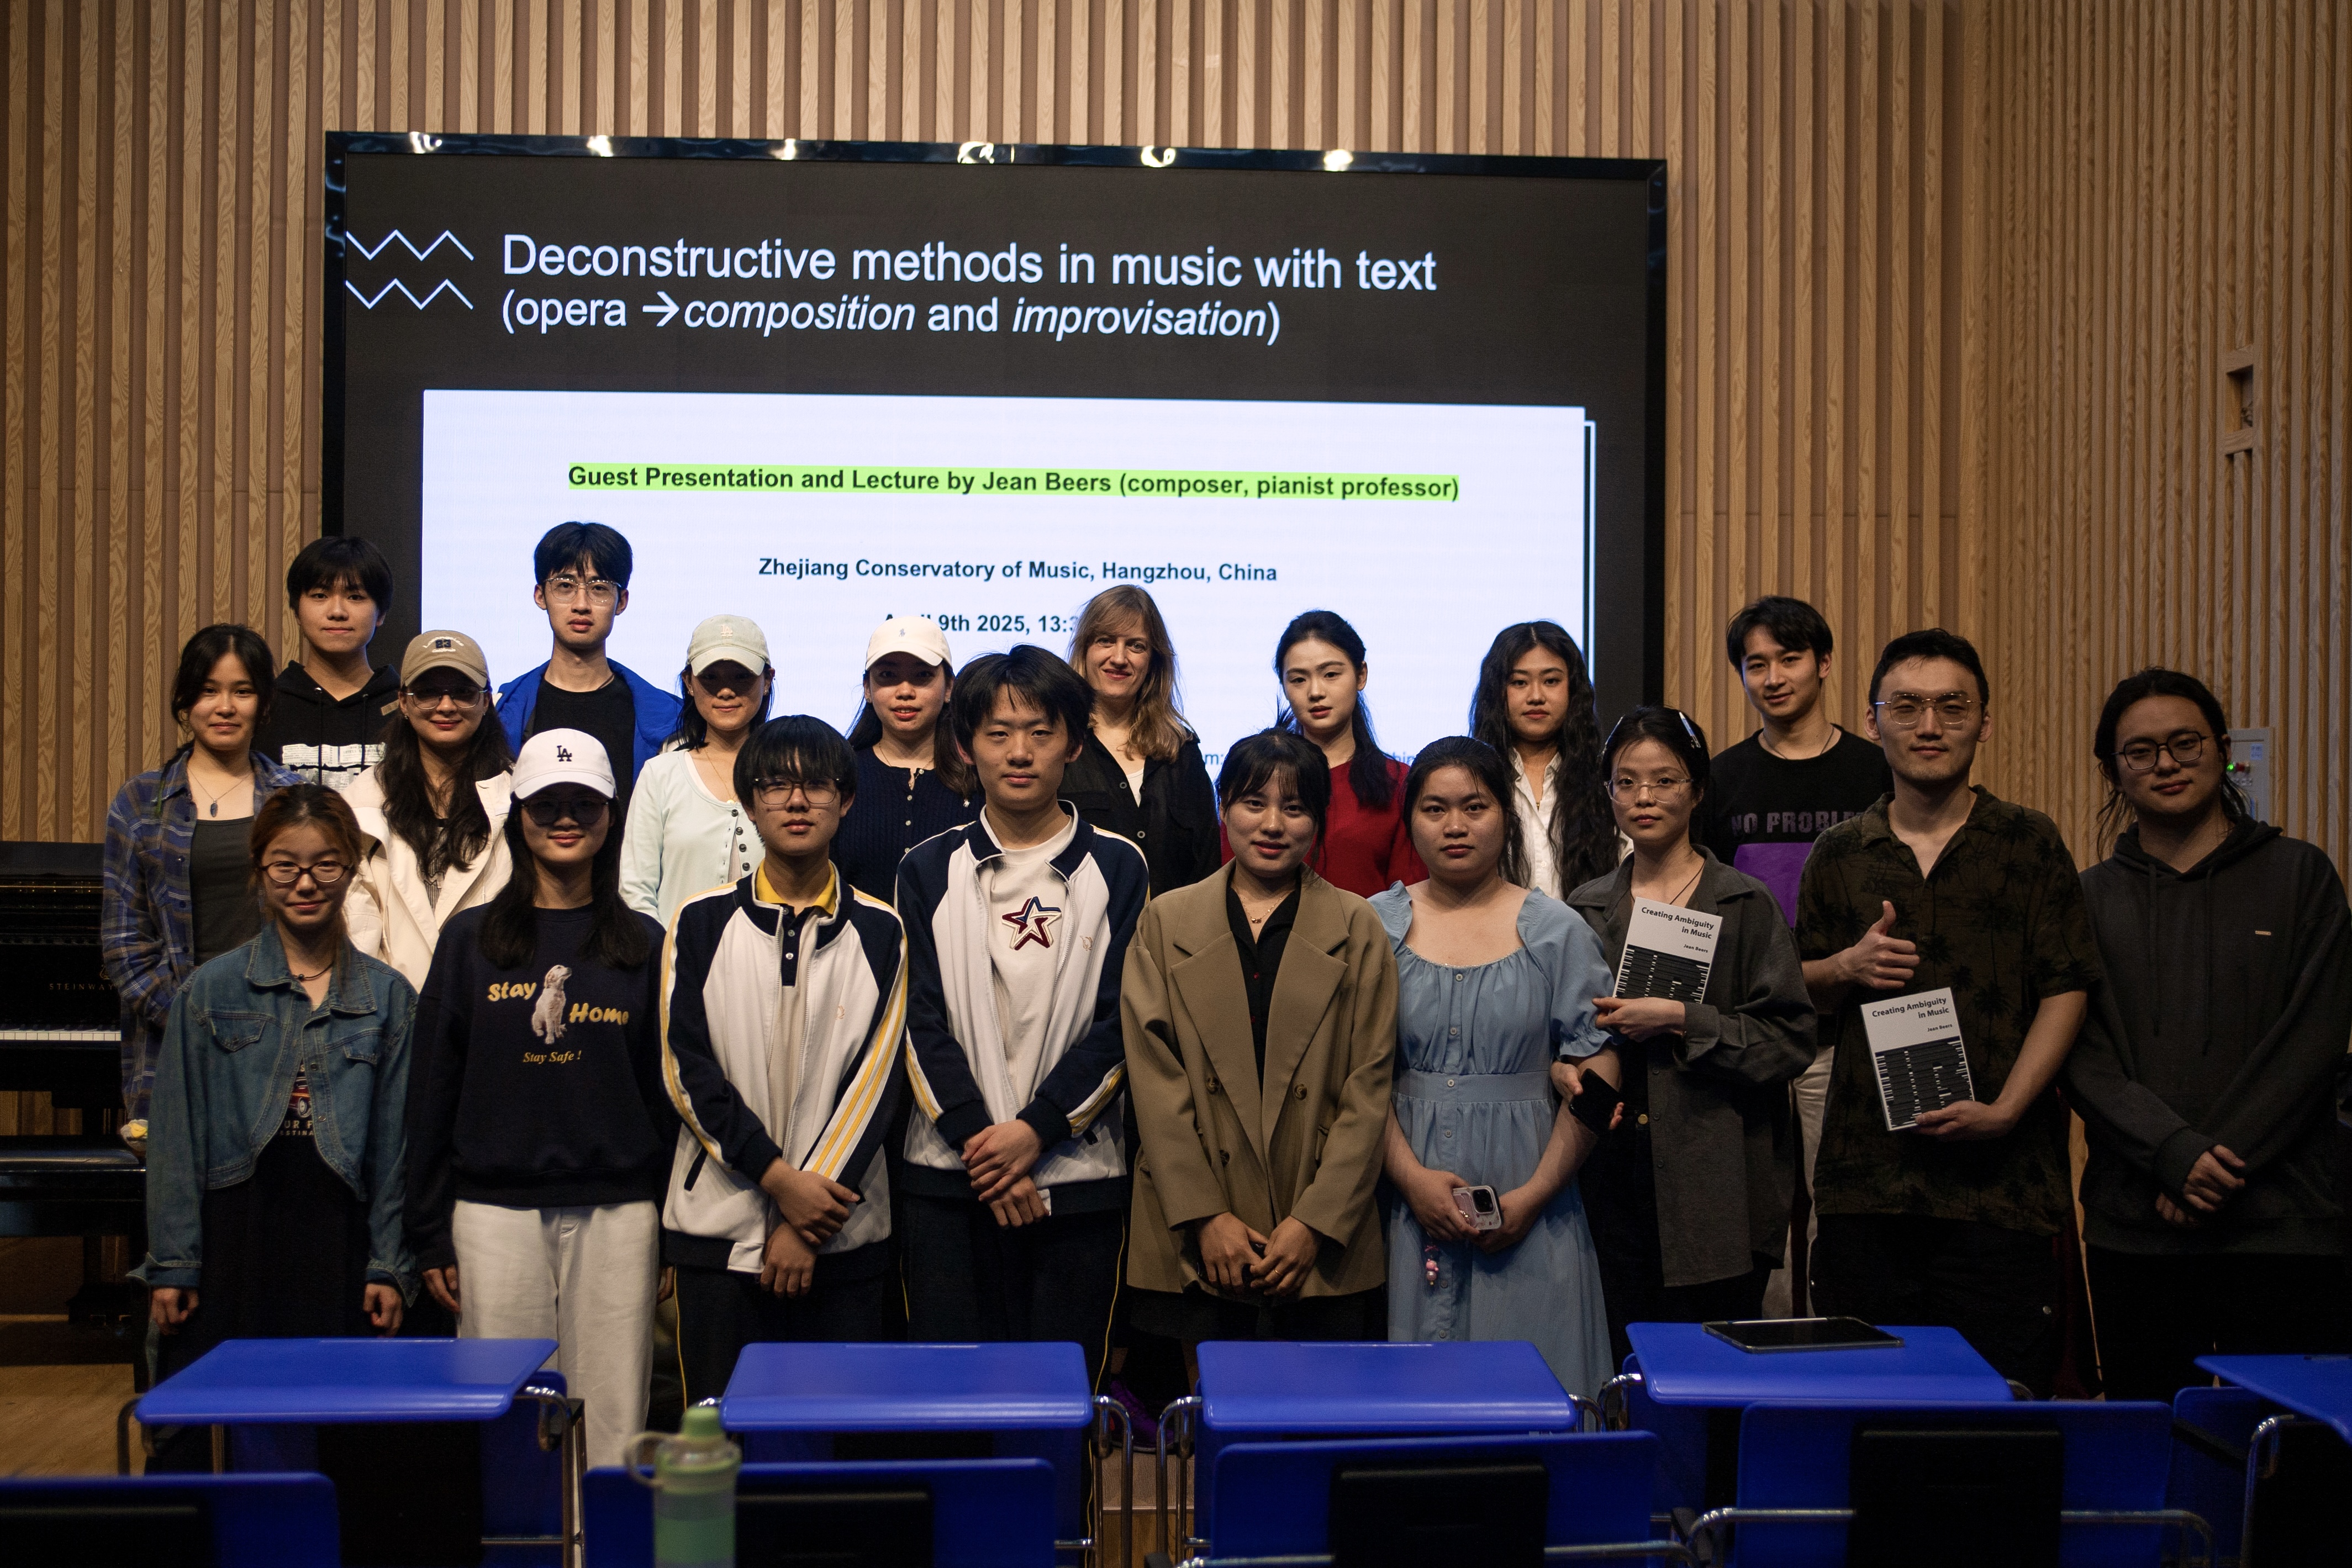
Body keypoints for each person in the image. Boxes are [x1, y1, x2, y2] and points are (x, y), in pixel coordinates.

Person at [1796, 629, 2100, 1395]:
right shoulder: (1839, 852)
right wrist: (1845, 967)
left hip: (2001, 1187)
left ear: (1983, 722)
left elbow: (2066, 986)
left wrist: (2006, 1110)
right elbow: (1798, 986)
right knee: (1864, 1411)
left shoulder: (2029, 842)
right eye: (1906, 706)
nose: (1928, 725)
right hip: (1868, 1184)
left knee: (1997, 1414)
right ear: (1873, 722)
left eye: (1950, 707)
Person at [2061, 669, 2352, 1400]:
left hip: (2283, 1224)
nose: (2165, 763)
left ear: (2222, 750)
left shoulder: (2301, 875)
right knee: (2151, 1436)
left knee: (2291, 1445)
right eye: (2140, 751)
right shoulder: (2086, 898)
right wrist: (2169, 1153)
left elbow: (2315, 1038)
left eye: (2184, 743)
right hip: (2135, 1228)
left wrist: (2202, 1163)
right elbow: (2082, 1055)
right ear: (2112, 770)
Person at [405, 730, 671, 1471]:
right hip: (493, 1213)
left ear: (611, 814)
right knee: (512, 1421)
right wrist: (427, 1230)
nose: (565, 818)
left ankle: (603, 1535)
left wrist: (668, 1225)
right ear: (518, 814)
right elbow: (432, 1091)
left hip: (619, 1212)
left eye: (583, 802)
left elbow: (665, 1095)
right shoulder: (468, 941)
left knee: (613, 1418)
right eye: (547, 803)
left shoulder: (646, 943)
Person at [138, 785, 414, 1468]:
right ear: (259, 871)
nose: (306, 883)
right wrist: (175, 1262)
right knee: (229, 1428)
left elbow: (395, 1148)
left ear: (351, 870)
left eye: (326, 864)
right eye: (286, 866)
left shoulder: (389, 997)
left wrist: (389, 1262)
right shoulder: (210, 990)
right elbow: (175, 1138)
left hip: (340, 1229)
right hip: (240, 1227)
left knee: (343, 1434)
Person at [896, 646, 1149, 1381]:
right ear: (964, 745)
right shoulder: (925, 866)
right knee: (950, 1405)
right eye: (998, 732)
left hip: (1076, 1177)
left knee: (1059, 1404)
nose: (1019, 752)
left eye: (1040, 732)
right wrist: (986, 1149)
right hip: (949, 1179)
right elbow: (915, 1022)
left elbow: (1122, 1024)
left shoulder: (1120, 866)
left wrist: (1034, 1131)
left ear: (1074, 744)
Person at [1122, 730, 1396, 1371]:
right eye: (1253, 802)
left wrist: (1314, 1222)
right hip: (1198, 1225)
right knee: (1210, 1416)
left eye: (1295, 807)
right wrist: (1204, 1216)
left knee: (1317, 1417)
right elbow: (1155, 1083)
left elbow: (1369, 1086)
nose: (1273, 824)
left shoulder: (1357, 925)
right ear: (1223, 808)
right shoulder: (1166, 920)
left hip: (1319, 1226)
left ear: (1319, 819)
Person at [660, 717, 911, 1398]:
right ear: (749, 802)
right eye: (775, 785)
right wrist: (777, 1179)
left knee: (834, 1439)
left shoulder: (882, 929)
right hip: (720, 1229)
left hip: (843, 1233)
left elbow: (878, 1082)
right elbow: (686, 1070)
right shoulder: (700, 921)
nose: (796, 801)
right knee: (721, 1435)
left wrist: (808, 1217)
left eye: (816, 785)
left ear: (846, 800)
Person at [1559, 709, 1816, 1368]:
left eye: (1664, 780)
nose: (1643, 797)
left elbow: (1790, 1039)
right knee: (1622, 1371)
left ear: (1697, 791)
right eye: (1626, 782)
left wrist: (1681, 1019)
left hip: (1717, 1186)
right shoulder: (1584, 909)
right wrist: (1560, 1069)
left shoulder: (1746, 904)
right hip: (1610, 1178)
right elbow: (1557, 1036)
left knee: (1712, 1378)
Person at [1374, 736, 1615, 1394]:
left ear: (1504, 815)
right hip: (1403, 1197)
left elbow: (1599, 1068)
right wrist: (1411, 1179)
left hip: (1534, 1195)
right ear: (1410, 820)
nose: (1454, 825)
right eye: (1434, 809)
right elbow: (1353, 1076)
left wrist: (1535, 1196)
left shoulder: (1557, 929)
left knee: (1534, 1398)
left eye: (1474, 806)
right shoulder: (1373, 926)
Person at [1703, 595, 1891, 1316]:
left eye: (1789, 659)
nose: (1773, 677)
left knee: (1841, 1211)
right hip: (1749, 1032)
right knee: (1756, 1216)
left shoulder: (1874, 772)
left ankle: (1833, 1350)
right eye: (1756, 664)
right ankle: (1764, 1353)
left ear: (1824, 663)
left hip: (1850, 1035)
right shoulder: (1721, 779)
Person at [102, 624, 302, 1130]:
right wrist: (194, 1019)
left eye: (243, 691)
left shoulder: (294, 799)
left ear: (263, 703)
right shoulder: (140, 801)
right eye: (209, 690)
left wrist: (262, 1023)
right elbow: (125, 944)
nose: (225, 707)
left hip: (280, 1040)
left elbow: (317, 927)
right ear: (186, 700)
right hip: (172, 1044)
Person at [343, 631, 515, 990]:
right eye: (428, 692)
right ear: (403, 703)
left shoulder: (520, 800)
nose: (446, 706)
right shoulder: (361, 803)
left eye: (463, 692)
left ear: (486, 701)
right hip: (390, 1008)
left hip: (491, 1004)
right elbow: (357, 927)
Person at [494, 521, 683, 828]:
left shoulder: (669, 719)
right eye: (565, 586)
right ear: (540, 595)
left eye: (599, 588)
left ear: (622, 601)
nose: (581, 605)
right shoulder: (501, 713)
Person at [1058, 586, 1221, 896]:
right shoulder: (1058, 745)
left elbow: (1208, 867)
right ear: (1084, 650)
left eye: (1136, 645)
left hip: (1172, 928)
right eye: (1105, 641)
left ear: (1153, 660)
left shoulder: (1182, 751)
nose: (1119, 658)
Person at [620, 615, 776, 926]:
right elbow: (635, 890)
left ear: (768, 680)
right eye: (711, 677)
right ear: (689, 683)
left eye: (742, 676)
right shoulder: (661, 774)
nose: (726, 691)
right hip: (676, 956)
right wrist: (663, 951)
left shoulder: (790, 775)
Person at [1260, 611, 1423, 897]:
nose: (1315, 692)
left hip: (1370, 927)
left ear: (1361, 675)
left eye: (1331, 675)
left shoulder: (1398, 782)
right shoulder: (1258, 775)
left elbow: (1409, 896)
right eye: (1298, 679)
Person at [1466, 621, 1621, 900]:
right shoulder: (1472, 781)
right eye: (1519, 682)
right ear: (1496, 692)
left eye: (1551, 681)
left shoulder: (1609, 781)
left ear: (1573, 689)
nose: (1536, 697)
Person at [832, 616, 978, 904]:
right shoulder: (839, 775)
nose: (905, 692)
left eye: (922, 676)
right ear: (868, 688)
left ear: (949, 687)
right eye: (888, 675)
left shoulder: (980, 777)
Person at [255, 536, 402, 790]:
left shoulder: (407, 707)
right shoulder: (266, 706)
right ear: (296, 610)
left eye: (355, 597)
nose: (337, 612)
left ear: (381, 613)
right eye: (320, 595)